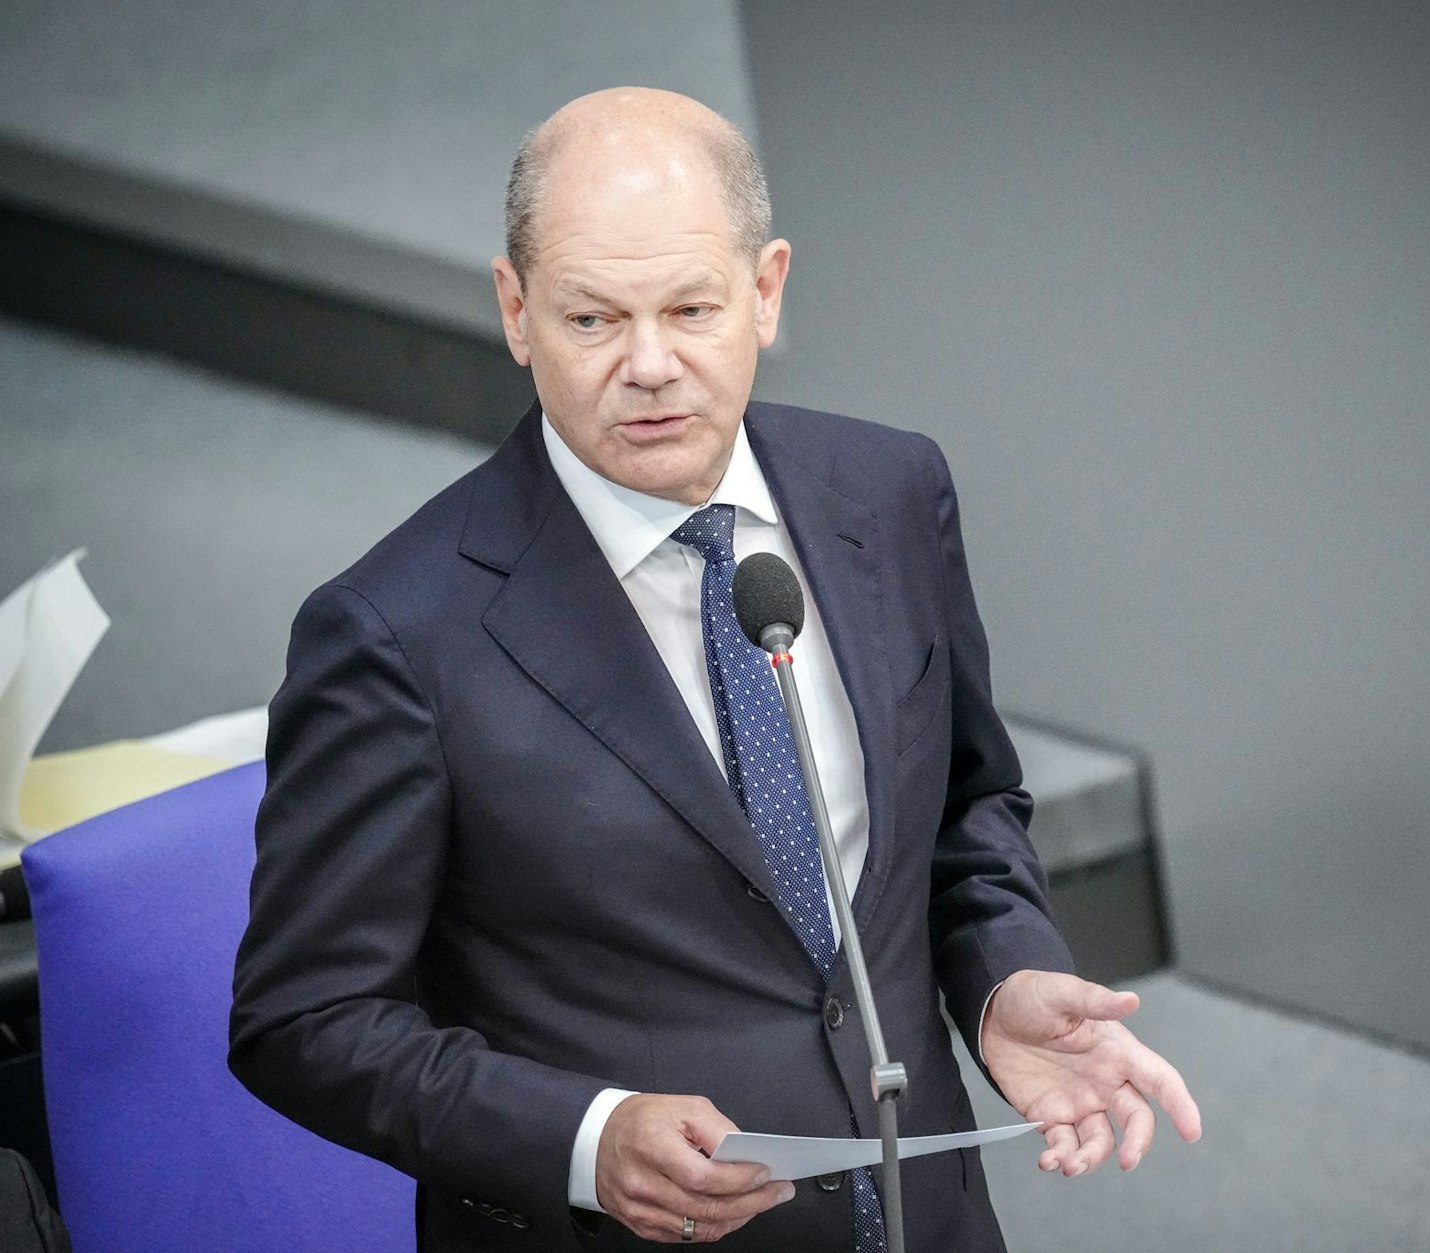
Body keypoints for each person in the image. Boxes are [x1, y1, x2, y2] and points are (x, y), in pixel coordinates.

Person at [229, 87, 1200, 1251]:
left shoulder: (887, 494)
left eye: (690, 307)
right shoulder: (395, 631)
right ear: (513, 308)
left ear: (766, 288)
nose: (648, 365)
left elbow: (964, 809)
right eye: (592, 319)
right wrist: (584, 1137)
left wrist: (1002, 978)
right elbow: (306, 1015)